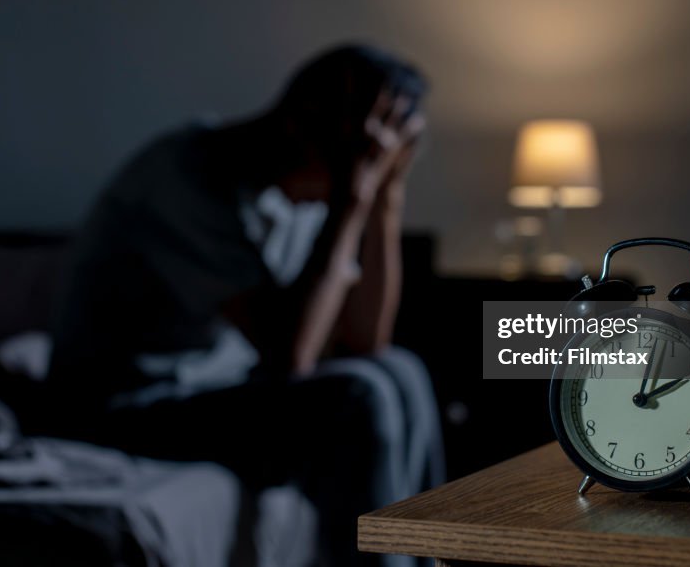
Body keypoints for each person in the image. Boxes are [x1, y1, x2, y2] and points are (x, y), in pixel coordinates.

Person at [48, 44, 444, 566]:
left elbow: (366, 341)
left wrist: (386, 199)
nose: (377, 164)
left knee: (400, 369)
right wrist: (354, 200)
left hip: (216, 392)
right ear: (314, 127)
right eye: (373, 151)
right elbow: (291, 358)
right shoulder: (186, 176)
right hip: (122, 409)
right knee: (358, 396)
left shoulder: (302, 194)